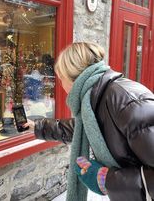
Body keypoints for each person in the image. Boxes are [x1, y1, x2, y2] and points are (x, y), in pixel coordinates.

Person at [23, 42, 154, 201]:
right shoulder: (98, 96)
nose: (62, 86)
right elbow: (79, 128)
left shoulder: (126, 101)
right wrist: (38, 127)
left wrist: (107, 179)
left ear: (73, 79)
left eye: (61, 79)